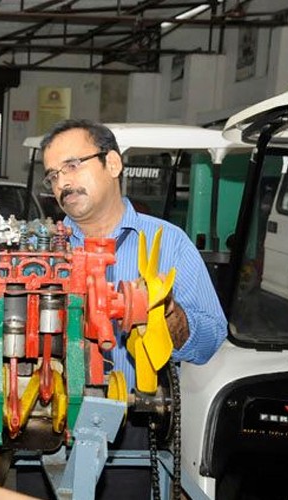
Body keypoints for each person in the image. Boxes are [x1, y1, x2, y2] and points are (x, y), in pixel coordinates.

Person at [23, 119, 228, 499]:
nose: (62, 183)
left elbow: (210, 338)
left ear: (113, 164)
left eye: (72, 165)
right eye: (52, 176)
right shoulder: (39, 252)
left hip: (134, 426)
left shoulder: (168, 243)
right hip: (41, 420)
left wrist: (168, 316)